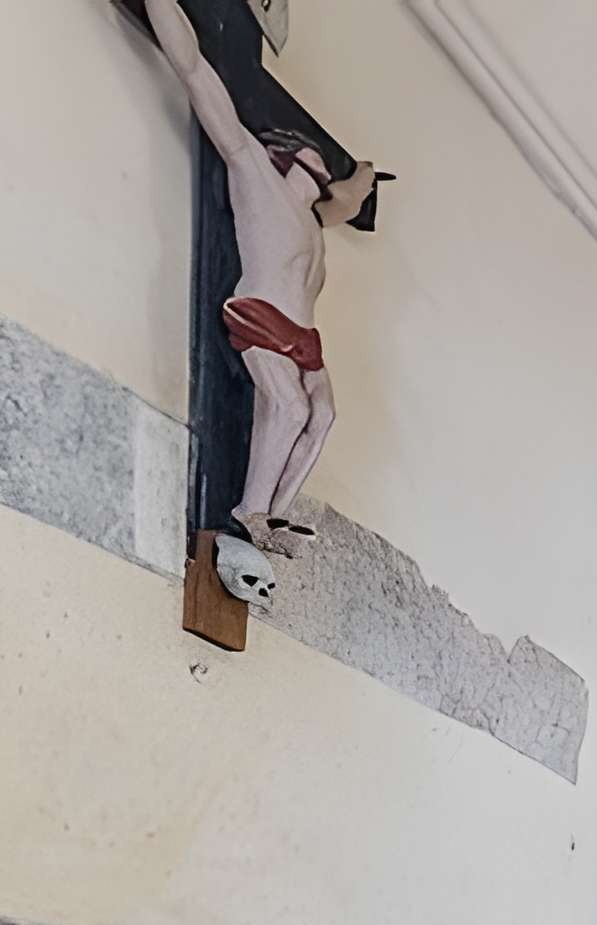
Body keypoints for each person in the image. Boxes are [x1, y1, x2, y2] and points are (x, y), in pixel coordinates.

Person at [135, 0, 387, 556]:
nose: (323, 163)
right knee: (290, 408)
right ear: (289, 158)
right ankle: (251, 512)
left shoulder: (314, 221)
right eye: (313, 157)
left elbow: (347, 200)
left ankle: (277, 513)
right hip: (262, 312)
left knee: (323, 415)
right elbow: (197, 73)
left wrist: (363, 176)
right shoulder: (253, 170)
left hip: (305, 336)